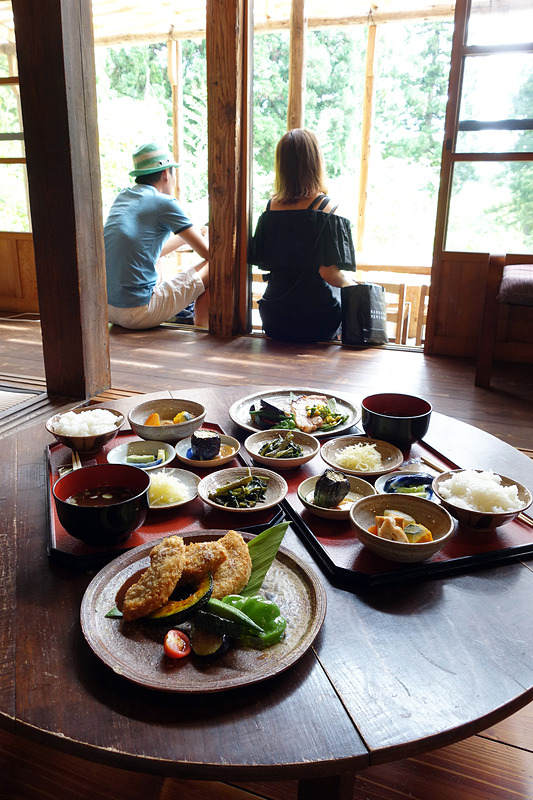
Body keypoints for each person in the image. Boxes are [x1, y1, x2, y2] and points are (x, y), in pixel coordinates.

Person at [249, 128, 357, 343]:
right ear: (316, 162)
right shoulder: (328, 209)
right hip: (316, 319)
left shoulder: (270, 209)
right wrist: (356, 286)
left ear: (281, 164)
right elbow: (329, 274)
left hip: (274, 316)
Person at [104, 142, 209, 329]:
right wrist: (207, 236)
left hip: (106, 308)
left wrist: (188, 236)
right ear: (166, 173)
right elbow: (209, 253)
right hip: (137, 312)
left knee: (158, 260)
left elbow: (152, 250)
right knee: (218, 264)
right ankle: (201, 329)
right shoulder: (164, 202)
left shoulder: (123, 196)